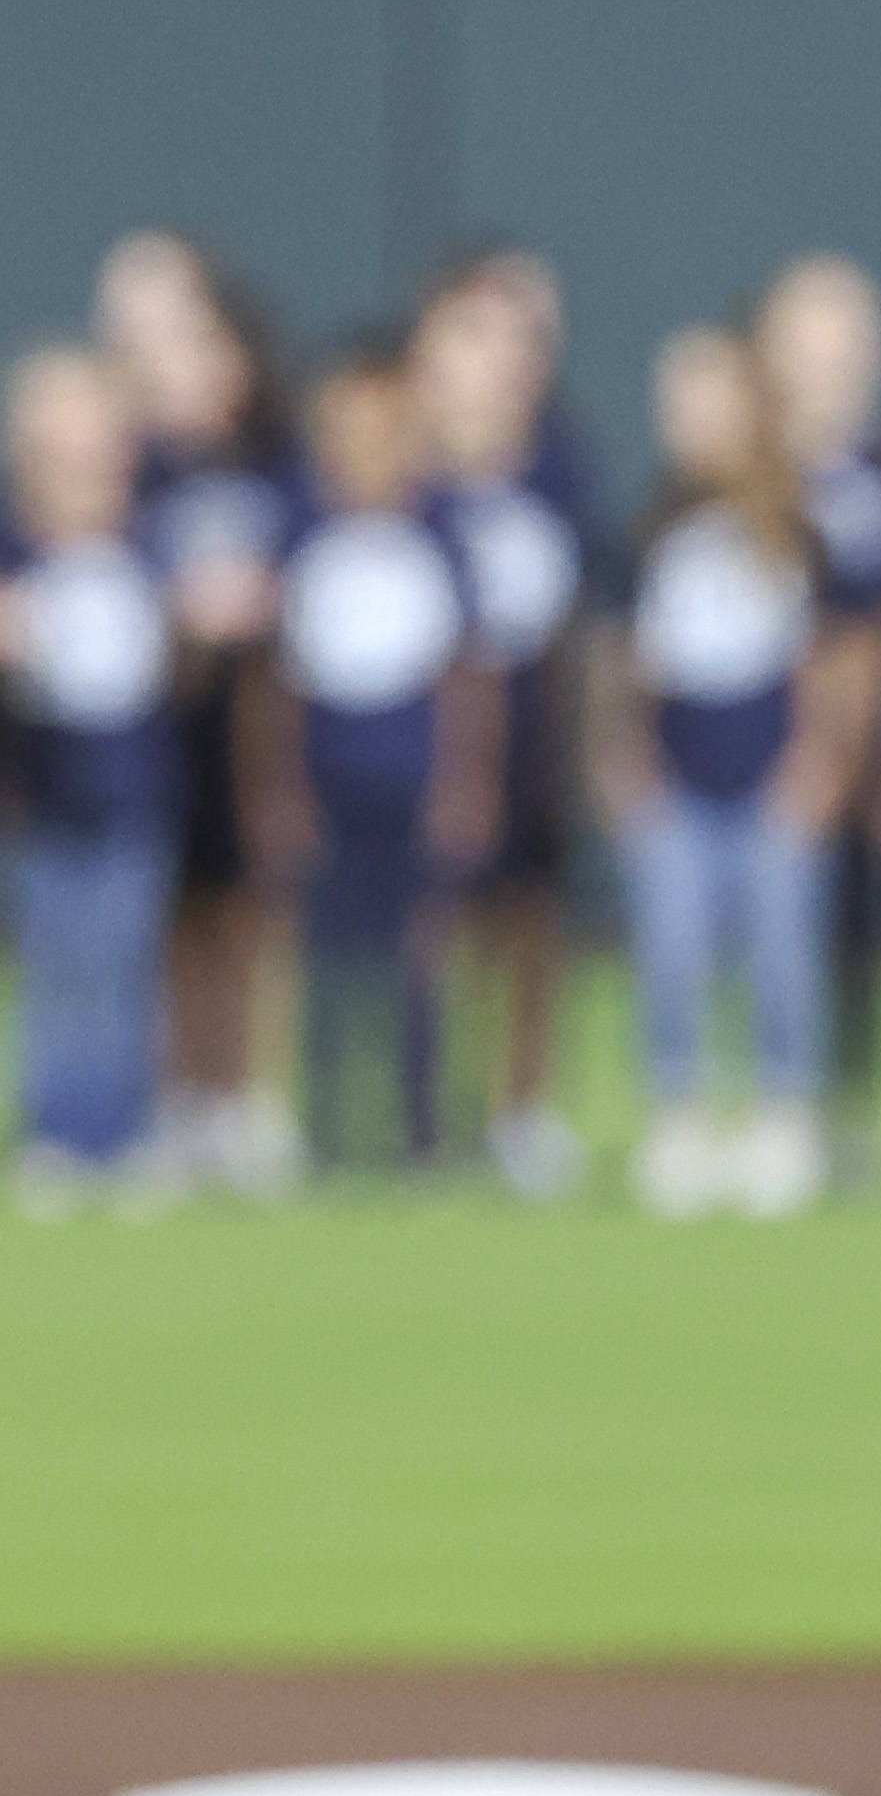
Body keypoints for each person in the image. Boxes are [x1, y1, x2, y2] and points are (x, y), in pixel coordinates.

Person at [607, 324, 843, 1222]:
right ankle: (683, 1112)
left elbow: (829, 662)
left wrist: (818, 762)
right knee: (672, 948)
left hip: (772, 774)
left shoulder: (795, 526)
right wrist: (625, 768)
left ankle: (786, 1112)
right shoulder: (647, 525)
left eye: (711, 396)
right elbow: (623, 663)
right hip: (677, 779)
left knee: (784, 949)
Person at [99, 230, 301, 1200]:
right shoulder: (135, 470)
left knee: (249, 913)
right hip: (154, 722)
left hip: (256, 723)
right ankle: (172, 1099)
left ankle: (243, 1096)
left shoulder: (274, 463)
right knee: (165, 920)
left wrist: (263, 594)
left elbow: (318, 564)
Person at [268, 340, 499, 1175]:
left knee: (422, 960)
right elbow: (278, 681)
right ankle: (328, 1123)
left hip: (414, 782)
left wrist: (465, 780)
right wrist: (282, 789)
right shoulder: (299, 524)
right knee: (329, 959)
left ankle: (423, 1123)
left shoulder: (441, 529)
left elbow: (468, 675)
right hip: (331, 784)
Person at [418, 260, 594, 1201]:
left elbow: (577, 610)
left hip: (532, 723)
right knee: (433, 919)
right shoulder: (410, 470)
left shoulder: (559, 461)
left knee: (530, 921)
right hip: (426, 733)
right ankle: (428, 1101)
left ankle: (523, 1108)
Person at [6, 344, 179, 1209]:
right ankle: (59, 1127)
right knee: (57, 966)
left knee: (125, 962)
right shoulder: (13, 545)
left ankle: (127, 1126)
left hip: (132, 796)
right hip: (43, 801)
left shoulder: (149, 536)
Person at [754, 252, 881, 1151]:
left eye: (846, 333)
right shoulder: (752, 463)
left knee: (863, 927)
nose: (830, 355)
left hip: (876, 738)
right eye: (809, 335)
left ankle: (847, 1107)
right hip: (764, 736)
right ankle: (769, 1103)